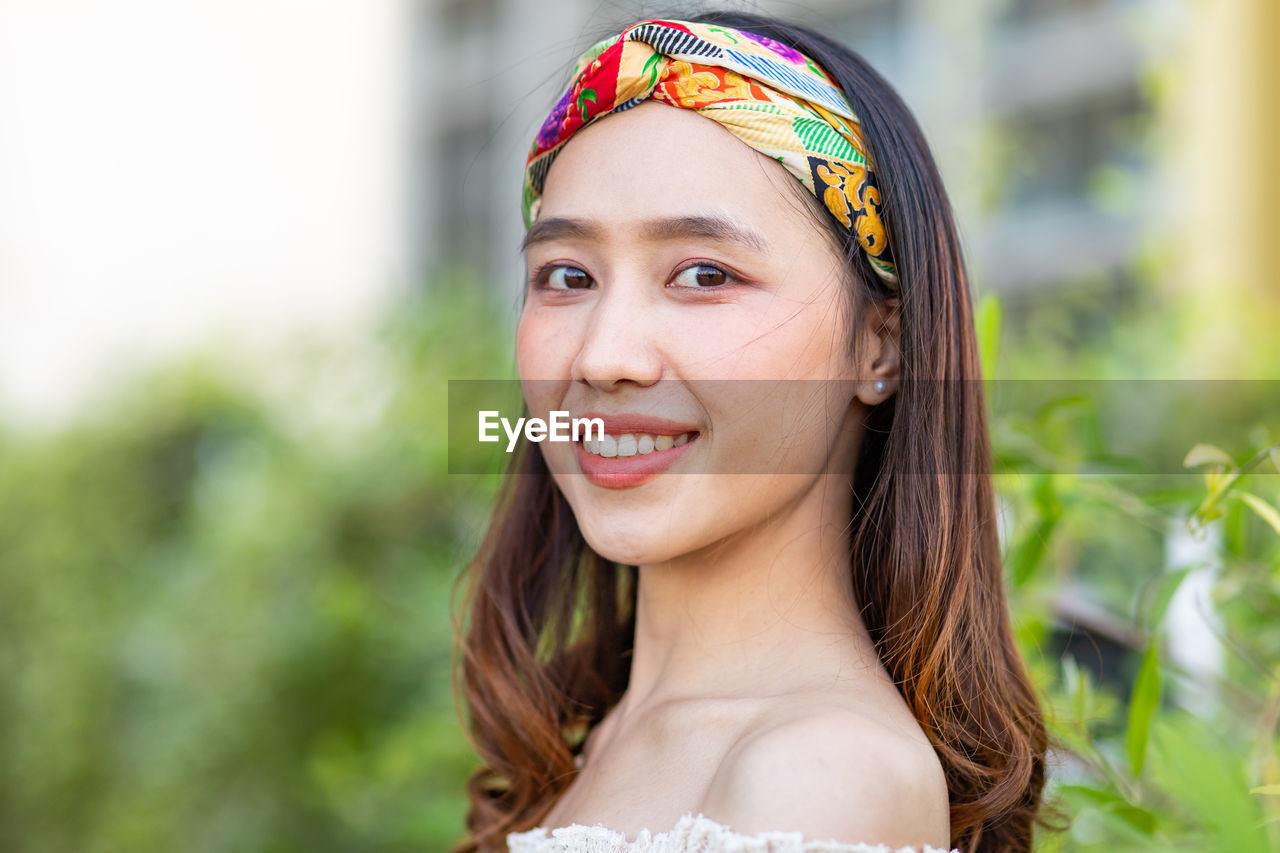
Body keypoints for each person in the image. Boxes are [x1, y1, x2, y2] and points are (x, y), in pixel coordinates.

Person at [453, 10, 1047, 853]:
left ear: (880, 344)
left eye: (704, 274)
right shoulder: (600, 739)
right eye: (567, 275)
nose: (605, 355)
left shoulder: (819, 774)